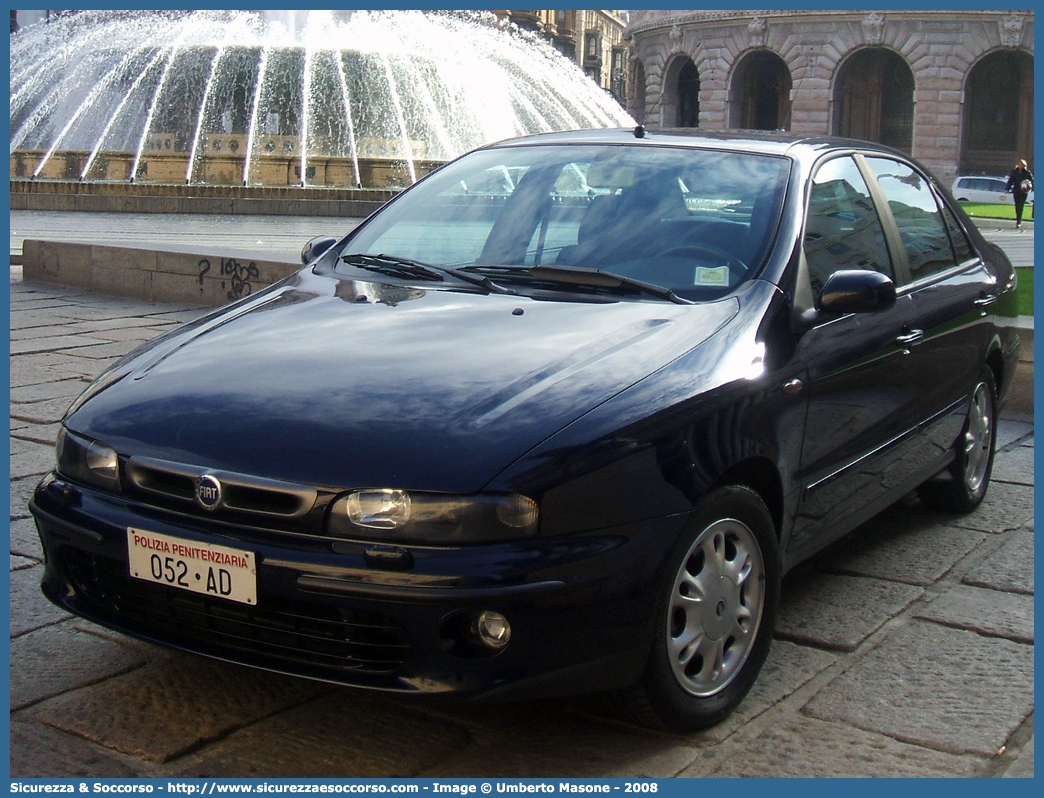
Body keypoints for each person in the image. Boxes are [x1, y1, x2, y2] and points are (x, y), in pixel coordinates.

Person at [1006, 159, 1034, 230]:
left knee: (1020, 206)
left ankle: (1018, 222)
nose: (1020, 165)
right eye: (1019, 164)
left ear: (1024, 165)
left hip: (1024, 192)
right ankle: (1018, 219)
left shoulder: (1027, 173)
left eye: (1021, 164)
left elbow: (1032, 181)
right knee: (1017, 206)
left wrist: (1030, 186)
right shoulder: (1014, 172)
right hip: (1016, 191)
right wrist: (1007, 188)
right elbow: (1010, 181)